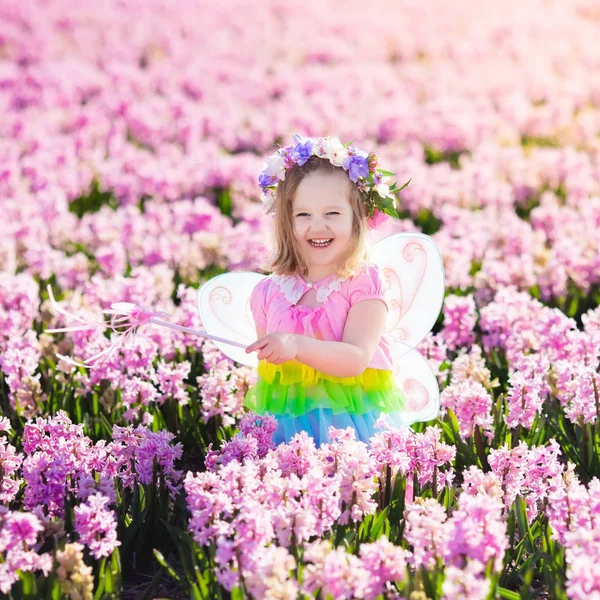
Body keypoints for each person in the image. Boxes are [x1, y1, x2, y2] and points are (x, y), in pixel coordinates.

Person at [243, 134, 409, 447]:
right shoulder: (268, 292)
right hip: (286, 431)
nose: (317, 226)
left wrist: (295, 344)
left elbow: (356, 358)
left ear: (358, 218)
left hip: (350, 431)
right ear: (286, 222)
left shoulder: (363, 283)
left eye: (332, 214)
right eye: (303, 215)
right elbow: (270, 373)